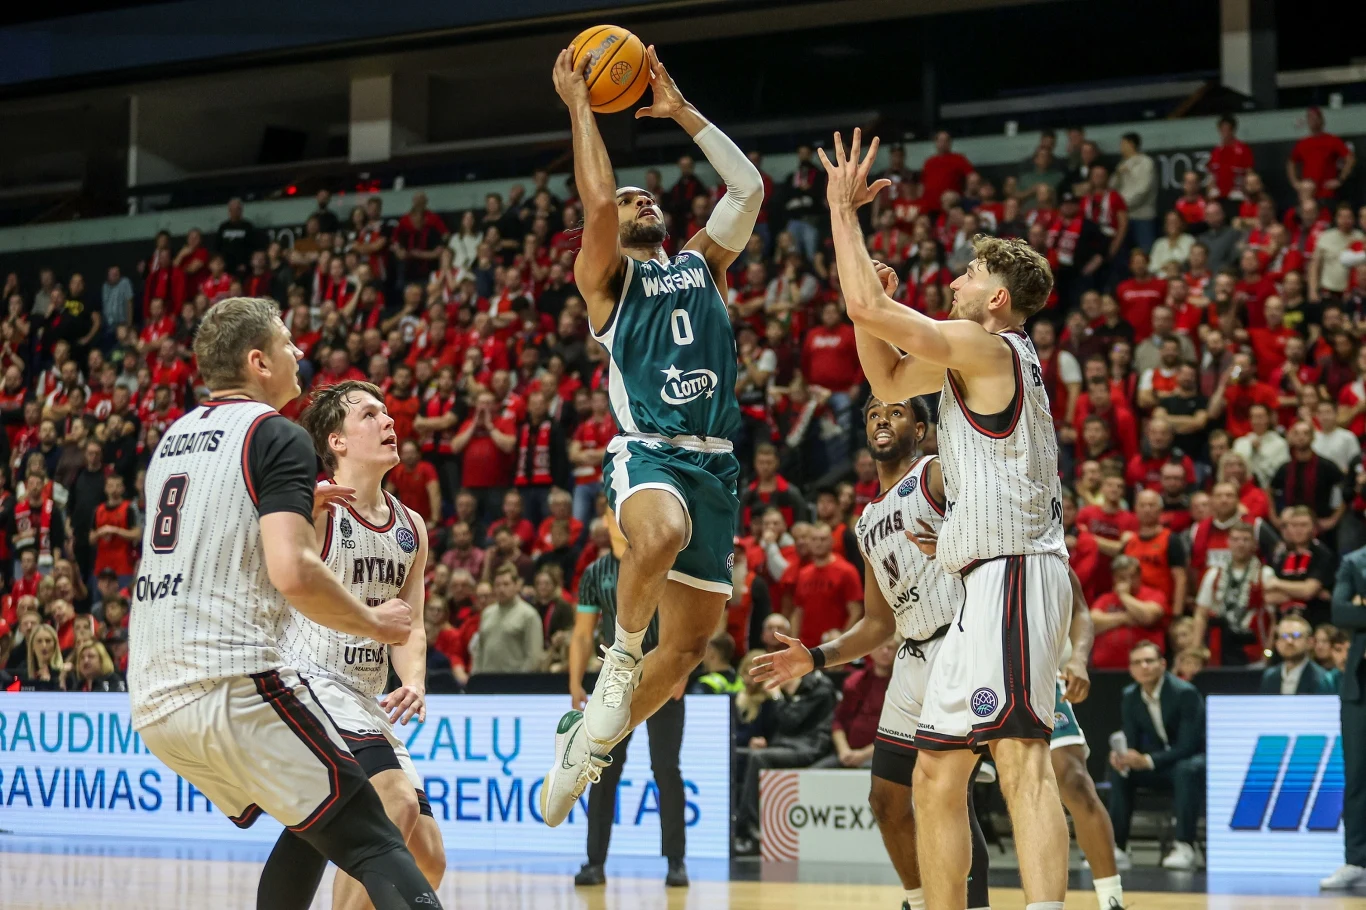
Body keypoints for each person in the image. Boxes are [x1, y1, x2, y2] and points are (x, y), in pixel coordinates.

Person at [823, 128, 1072, 910]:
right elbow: (889, 377)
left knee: (1021, 758)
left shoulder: (988, 344)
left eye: (969, 273)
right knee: (936, 772)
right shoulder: (973, 355)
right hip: (982, 582)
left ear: (997, 296)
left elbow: (865, 301)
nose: (957, 281)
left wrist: (842, 212)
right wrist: (874, 316)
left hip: (1016, 572)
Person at [125, 297, 439, 910]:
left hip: (153, 690)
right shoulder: (279, 436)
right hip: (235, 679)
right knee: (375, 827)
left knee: (346, 828)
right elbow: (292, 571)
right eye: (288, 343)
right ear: (257, 361)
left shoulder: (173, 439)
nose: (299, 353)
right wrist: (374, 620)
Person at [542, 44, 763, 824]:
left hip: (717, 466)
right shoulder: (605, 282)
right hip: (649, 453)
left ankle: (587, 748)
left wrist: (682, 112)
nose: (637, 201)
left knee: (688, 654)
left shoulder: (702, 265)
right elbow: (596, 206)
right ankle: (615, 662)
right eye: (629, 197)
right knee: (659, 534)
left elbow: (748, 186)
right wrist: (579, 104)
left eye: (645, 197)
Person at [752, 396, 992, 910]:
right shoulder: (864, 523)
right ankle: (920, 899)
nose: (883, 419)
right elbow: (878, 623)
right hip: (910, 653)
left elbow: (989, 507)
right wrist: (813, 658)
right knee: (885, 799)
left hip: (960, 641)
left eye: (897, 412)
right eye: (874, 414)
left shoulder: (934, 475)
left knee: (950, 799)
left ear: (922, 428)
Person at [281, 380, 446, 909]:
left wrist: (415, 681)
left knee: (428, 856)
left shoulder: (410, 527)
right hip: (312, 684)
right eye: (371, 415)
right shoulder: (317, 508)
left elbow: (411, 623)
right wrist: (300, 507)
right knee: (393, 801)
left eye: (388, 413)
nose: (389, 422)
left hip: (368, 699)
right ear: (338, 441)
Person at [569, 510, 688, 888]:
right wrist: (575, 683)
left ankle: (675, 862)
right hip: (615, 678)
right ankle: (594, 863)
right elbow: (583, 633)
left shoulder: (664, 561)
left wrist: (681, 672)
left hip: (663, 672)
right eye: (611, 512)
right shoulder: (595, 573)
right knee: (603, 772)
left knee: (666, 770)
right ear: (607, 521)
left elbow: (686, 621)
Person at [1106, 641, 1206, 871]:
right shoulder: (1130, 695)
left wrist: (1148, 760)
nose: (1144, 667)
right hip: (1160, 764)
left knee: (1185, 769)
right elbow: (1132, 739)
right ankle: (1117, 848)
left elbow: (1189, 746)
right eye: (1137, 663)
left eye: (1149, 661)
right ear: (1130, 669)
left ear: (1162, 664)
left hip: (1192, 761)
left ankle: (1184, 846)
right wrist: (1123, 756)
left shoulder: (1185, 693)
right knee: (1121, 771)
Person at [1324, 549, 1366, 889]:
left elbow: (1353, 613)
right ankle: (1356, 860)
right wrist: (1353, 608)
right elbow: (1339, 612)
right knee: (1356, 776)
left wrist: (1362, 607)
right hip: (1359, 686)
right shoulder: (1353, 561)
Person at [1259, 614, 1336, 694]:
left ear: (1309, 642)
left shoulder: (1323, 679)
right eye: (1284, 636)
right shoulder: (1269, 677)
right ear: (1277, 643)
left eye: (1296, 635)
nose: (1289, 641)